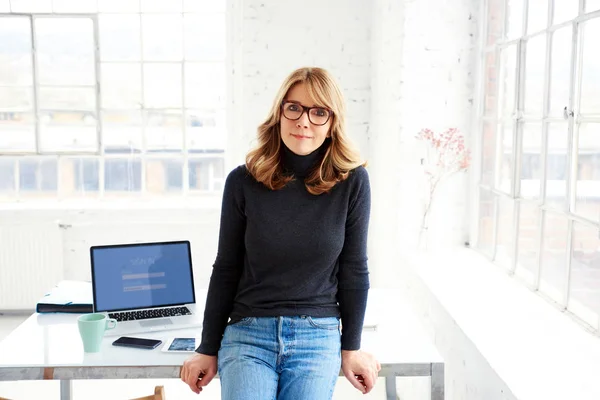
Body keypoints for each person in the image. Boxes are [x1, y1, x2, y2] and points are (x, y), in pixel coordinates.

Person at [180, 67, 380, 399]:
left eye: (319, 112)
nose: (304, 121)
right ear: (279, 114)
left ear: (332, 124)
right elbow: (226, 267)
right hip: (248, 334)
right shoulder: (242, 182)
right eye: (294, 107)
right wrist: (207, 347)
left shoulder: (353, 181)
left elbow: (354, 268)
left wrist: (352, 348)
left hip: (317, 337)